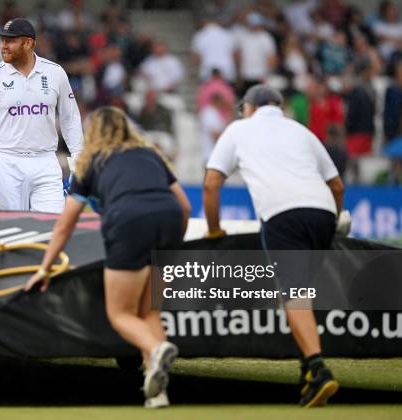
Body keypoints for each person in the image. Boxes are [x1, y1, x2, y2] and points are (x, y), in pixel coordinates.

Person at [24, 106, 191, 408]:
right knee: (149, 311)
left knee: (121, 314)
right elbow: (185, 206)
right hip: (168, 222)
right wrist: (172, 248)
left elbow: (66, 223)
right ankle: (157, 391)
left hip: (129, 221)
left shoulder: (90, 163)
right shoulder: (150, 155)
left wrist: (44, 268)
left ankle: (156, 349)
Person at [203, 85, 346, 408]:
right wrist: (334, 221)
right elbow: (336, 185)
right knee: (302, 297)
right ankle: (306, 374)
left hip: (283, 213)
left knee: (293, 297)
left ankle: (317, 367)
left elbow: (212, 184)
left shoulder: (239, 129)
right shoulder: (302, 131)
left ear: (250, 108)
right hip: (323, 212)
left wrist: (214, 231)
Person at [0, 18, 84, 212]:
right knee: (6, 233)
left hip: (46, 161)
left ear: (28, 43)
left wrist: (79, 158)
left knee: (52, 230)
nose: (3, 46)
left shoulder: (55, 73)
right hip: (5, 164)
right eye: (2, 40)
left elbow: (69, 118)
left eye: (10, 41)